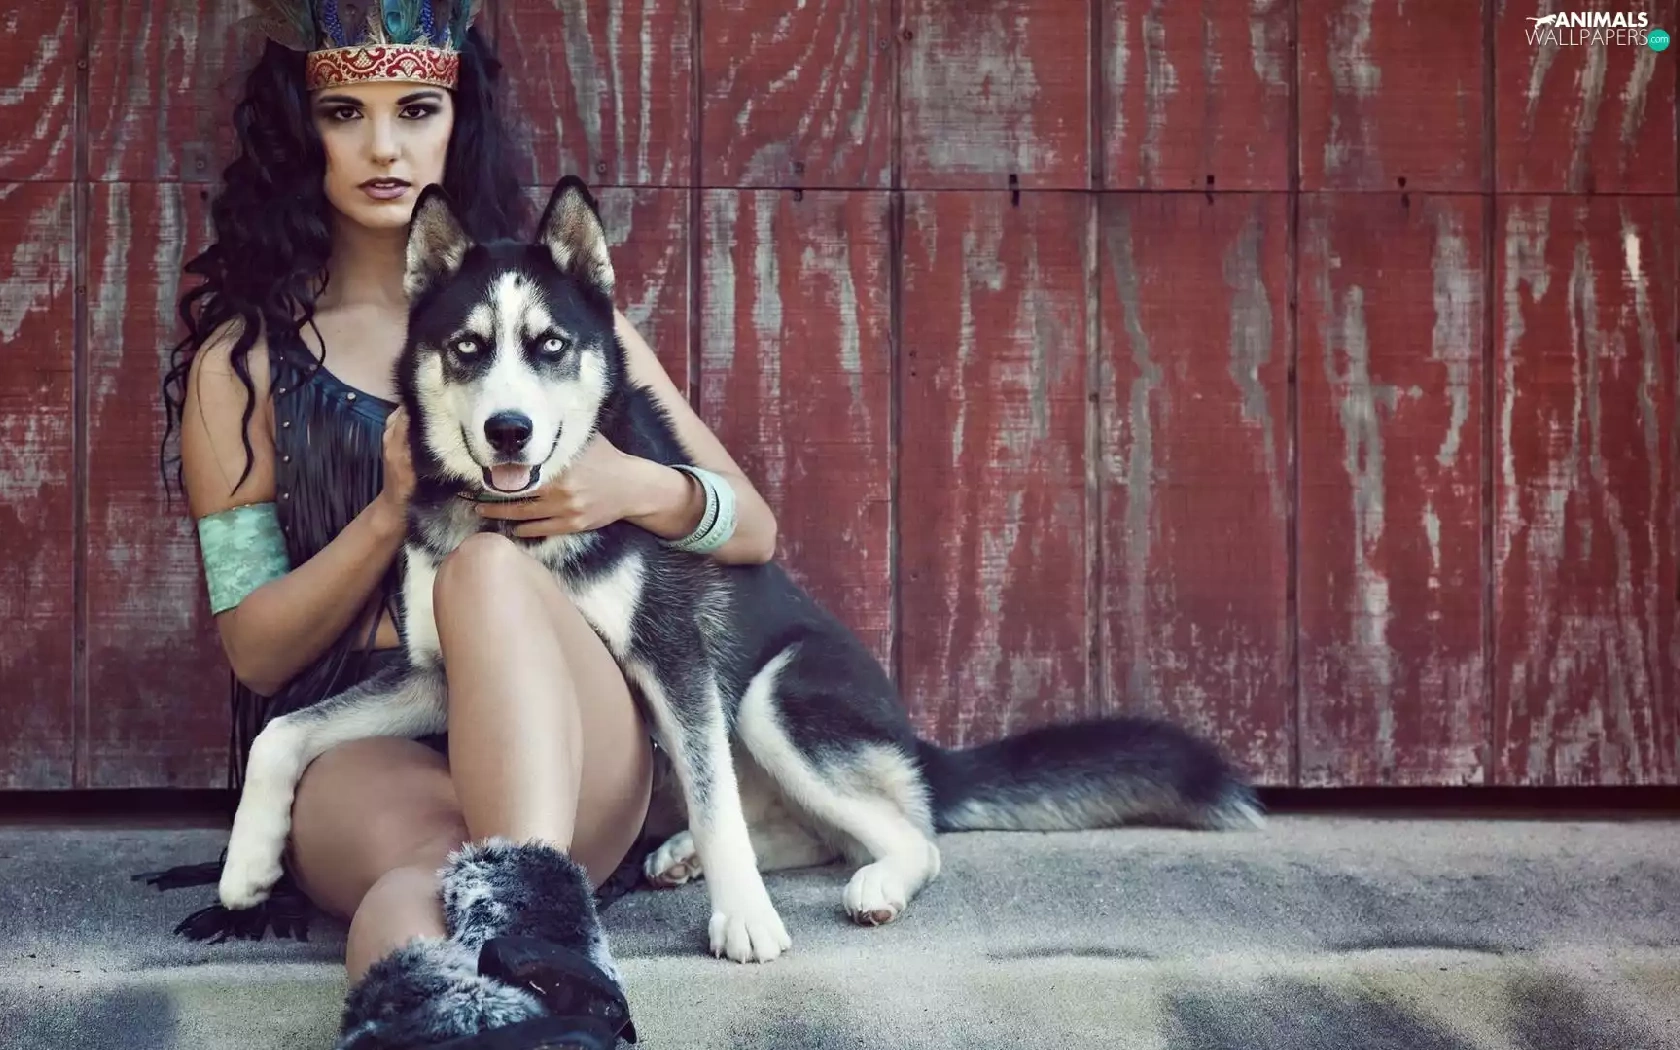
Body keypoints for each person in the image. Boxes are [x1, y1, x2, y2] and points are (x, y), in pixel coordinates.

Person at [146, 2, 779, 1046]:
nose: (383, 147)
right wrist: (388, 510)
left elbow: (752, 527)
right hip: (368, 734)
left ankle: (531, 937)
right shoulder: (245, 365)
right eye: (345, 113)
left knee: (482, 572)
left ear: (458, 123)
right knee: (432, 872)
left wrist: (634, 487)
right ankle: (468, 1021)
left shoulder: (566, 323)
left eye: (416, 110)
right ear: (304, 133)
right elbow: (256, 651)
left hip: (572, 730)